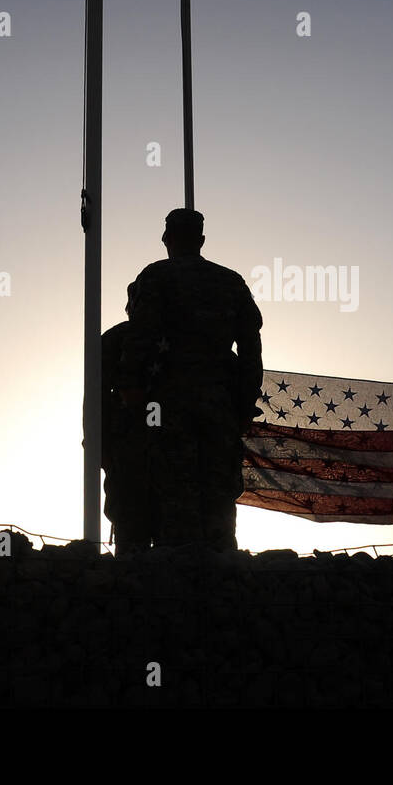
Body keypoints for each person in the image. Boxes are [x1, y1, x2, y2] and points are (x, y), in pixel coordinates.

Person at [118, 209, 263, 551]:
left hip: (167, 403)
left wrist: (131, 387)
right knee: (219, 488)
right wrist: (245, 403)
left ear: (167, 239)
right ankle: (220, 566)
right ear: (200, 240)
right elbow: (251, 350)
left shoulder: (156, 277)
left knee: (174, 483)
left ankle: (179, 569)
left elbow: (139, 335)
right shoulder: (231, 282)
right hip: (220, 404)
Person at [102, 282, 153, 557]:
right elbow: (96, 395)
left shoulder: (179, 340)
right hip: (127, 448)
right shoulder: (115, 340)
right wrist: (96, 442)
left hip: (166, 451)